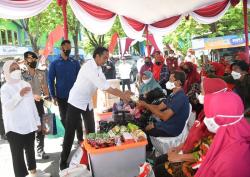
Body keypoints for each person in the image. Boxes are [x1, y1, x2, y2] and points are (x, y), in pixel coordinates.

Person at [60, 47, 132, 170]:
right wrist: (123, 95)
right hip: (75, 101)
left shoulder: (99, 68)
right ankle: (63, 162)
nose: (106, 60)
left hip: (87, 102)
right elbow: (104, 87)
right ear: (97, 56)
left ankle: (91, 158)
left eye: (107, 58)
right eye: (104, 58)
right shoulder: (89, 67)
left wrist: (123, 94)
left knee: (91, 131)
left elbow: (107, 84)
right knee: (70, 133)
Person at [153, 77, 228, 177]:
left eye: (202, 92)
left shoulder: (216, 122)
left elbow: (205, 155)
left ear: (213, 96)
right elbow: (193, 135)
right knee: (159, 161)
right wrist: (179, 147)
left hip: (198, 164)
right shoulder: (205, 112)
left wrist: (180, 157)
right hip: (188, 152)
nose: (199, 96)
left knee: (159, 170)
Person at [1, 60, 50, 177]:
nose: (16, 71)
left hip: (28, 125)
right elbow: (7, 106)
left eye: (17, 68)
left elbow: (32, 105)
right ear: (7, 72)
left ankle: (33, 173)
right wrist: (19, 94)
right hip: (14, 127)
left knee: (30, 150)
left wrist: (37, 122)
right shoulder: (4, 88)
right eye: (12, 69)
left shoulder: (26, 84)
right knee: (17, 155)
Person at [195, 91, 250, 177]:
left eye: (209, 115)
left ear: (219, 120)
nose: (206, 119)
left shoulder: (231, 163)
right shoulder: (236, 133)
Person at [48, 40, 83, 143]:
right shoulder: (54, 63)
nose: (69, 50)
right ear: (61, 48)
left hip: (75, 97)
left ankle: (80, 138)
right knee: (64, 118)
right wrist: (53, 96)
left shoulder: (74, 62)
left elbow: (80, 78)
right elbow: (50, 80)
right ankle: (68, 139)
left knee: (77, 118)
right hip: (61, 96)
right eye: (67, 47)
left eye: (70, 48)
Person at [138, 71, 189, 138]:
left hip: (172, 129)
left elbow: (164, 116)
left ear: (178, 82)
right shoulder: (173, 94)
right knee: (145, 126)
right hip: (168, 123)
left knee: (146, 131)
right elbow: (159, 107)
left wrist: (147, 105)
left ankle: (150, 147)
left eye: (171, 80)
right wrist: (144, 104)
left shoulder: (180, 97)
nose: (168, 81)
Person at [22, 51, 50, 160]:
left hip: (39, 103)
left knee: (41, 127)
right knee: (29, 128)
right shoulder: (22, 75)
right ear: (25, 60)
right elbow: (21, 91)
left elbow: (45, 87)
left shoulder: (40, 73)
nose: (33, 60)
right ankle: (29, 152)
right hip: (26, 105)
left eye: (35, 59)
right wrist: (32, 96)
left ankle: (40, 150)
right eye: (30, 58)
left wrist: (47, 96)